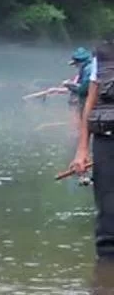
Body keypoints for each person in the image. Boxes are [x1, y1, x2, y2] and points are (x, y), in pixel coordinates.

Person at [61, 69, 114, 258]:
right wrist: (82, 150)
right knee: (109, 222)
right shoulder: (103, 58)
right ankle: (105, 281)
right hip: (108, 141)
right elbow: (91, 102)